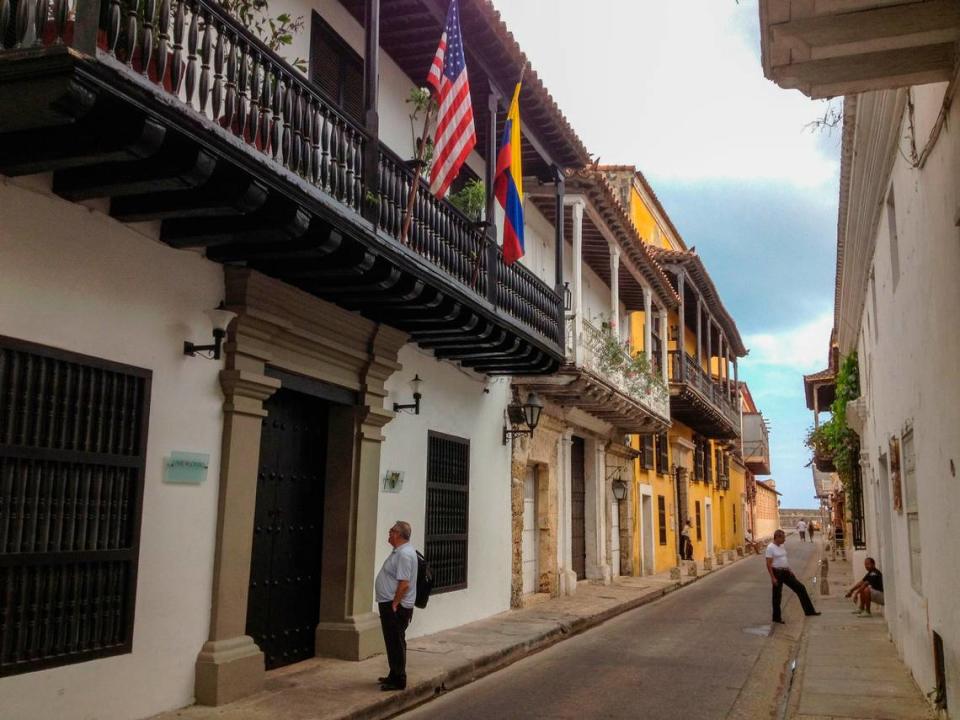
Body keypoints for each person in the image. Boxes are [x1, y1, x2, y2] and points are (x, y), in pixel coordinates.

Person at [375, 520, 418, 691]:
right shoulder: (399, 551)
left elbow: (404, 583)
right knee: (392, 640)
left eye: (392, 530)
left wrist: (395, 603)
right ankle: (394, 673)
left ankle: (399, 679)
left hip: (395, 606)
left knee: (396, 641)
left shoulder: (404, 554)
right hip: (391, 604)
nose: (389, 532)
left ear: (398, 534)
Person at [765, 529, 821, 624]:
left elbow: (784, 558)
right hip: (777, 573)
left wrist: (789, 569)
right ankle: (776, 618)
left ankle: (809, 611)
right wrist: (772, 577)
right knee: (777, 596)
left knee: (801, 588)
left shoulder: (781, 546)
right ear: (777, 537)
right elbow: (768, 564)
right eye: (783, 538)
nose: (785, 540)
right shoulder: (770, 548)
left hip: (786, 572)